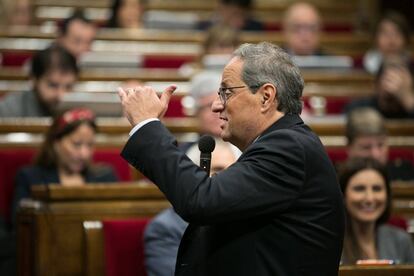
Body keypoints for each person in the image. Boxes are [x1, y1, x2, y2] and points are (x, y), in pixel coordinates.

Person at [118, 42, 344, 275]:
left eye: (226, 92)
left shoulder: (288, 148)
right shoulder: (283, 144)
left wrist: (147, 125)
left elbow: (201, 200)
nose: (216, 106)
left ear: (266, 97)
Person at [144, 139, 240, 276]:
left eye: (232, 172)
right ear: (193, 178)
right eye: (218, 170)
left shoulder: (245, 219)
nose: (226, 179)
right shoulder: (166, 228)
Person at [11, 108, 118, 227]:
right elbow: (20, 229)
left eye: (90, 145)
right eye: (77, 144)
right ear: (56, 143)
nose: (84, 154)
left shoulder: (105, 176)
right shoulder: (30, 178)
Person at [339, 157, 414, 264]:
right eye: (359, 189)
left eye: (377, 189)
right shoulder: (330, 242)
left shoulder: (401, 240)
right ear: (343, 195)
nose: (369, 198)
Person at [0, 45, 78, 117]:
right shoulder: (8, 109)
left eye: (68, 87)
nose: (61, 95)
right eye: (53, 85)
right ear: (34, 80)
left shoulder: (80, 110)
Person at [346, 107, 414, 181]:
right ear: (349, 149)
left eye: (380, 145)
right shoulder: (335, 180)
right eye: (366, 147)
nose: (376, 155)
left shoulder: (404, 173)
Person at [345, 56, 414, 118]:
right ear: (377, 83)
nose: (395, 86)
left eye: (401, 80)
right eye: (389, 79)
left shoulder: (410, 104)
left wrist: (407, 99)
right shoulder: (359, 108)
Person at [198, 0, 264, 31]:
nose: (240, 21)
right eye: (234, 14)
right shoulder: (204, 28)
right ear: (221, 8)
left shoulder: (256, 27)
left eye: (243, 15)